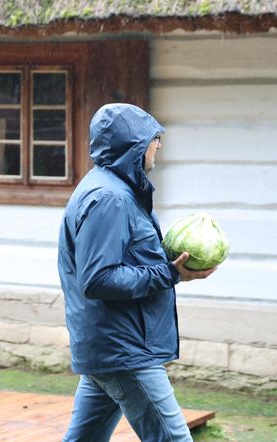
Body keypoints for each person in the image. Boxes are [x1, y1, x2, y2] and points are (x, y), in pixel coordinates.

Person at [58, 103, 217, 441]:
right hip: (124, 349)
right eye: (153, 139)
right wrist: (170, 274)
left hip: (111, 345)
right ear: (133, 146)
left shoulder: (115, 189)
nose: (158, 145)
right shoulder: (109, 198)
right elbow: (98, 279)